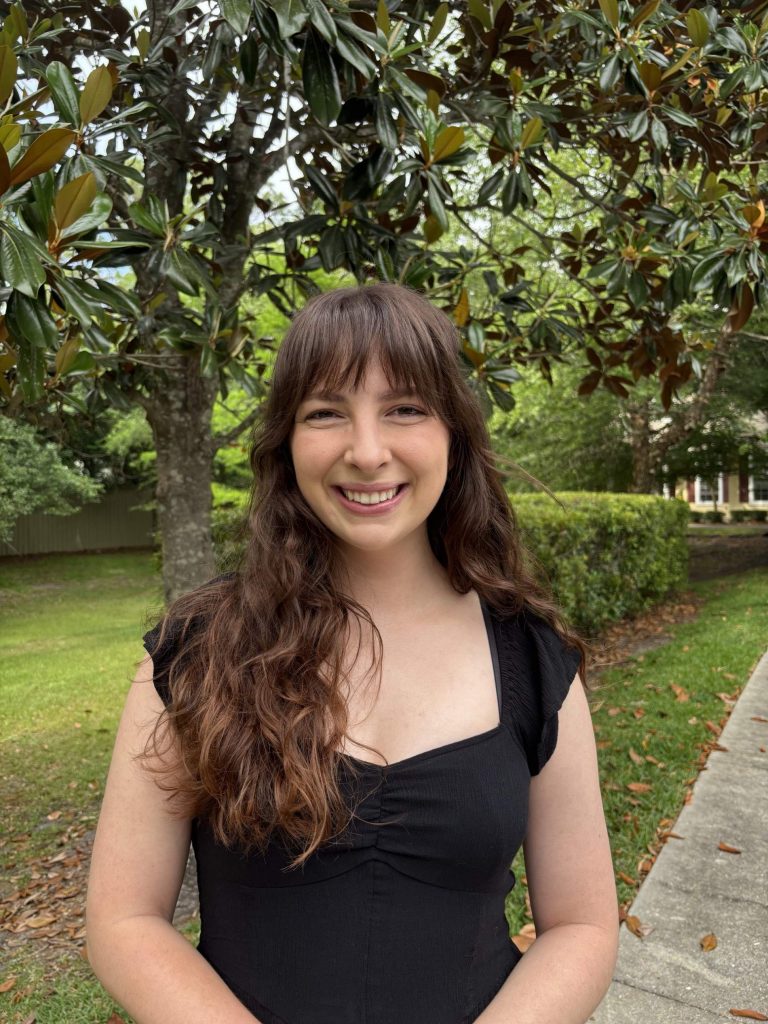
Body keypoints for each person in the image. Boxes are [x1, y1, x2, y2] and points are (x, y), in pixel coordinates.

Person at [86, 283, 619, 1024]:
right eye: (326, 412)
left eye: (405, 409)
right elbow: (124, 919)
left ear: (453, 433)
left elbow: (583, 926)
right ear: (287, 442)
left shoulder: (532, 658)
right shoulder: (196, 652)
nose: (367, 452)